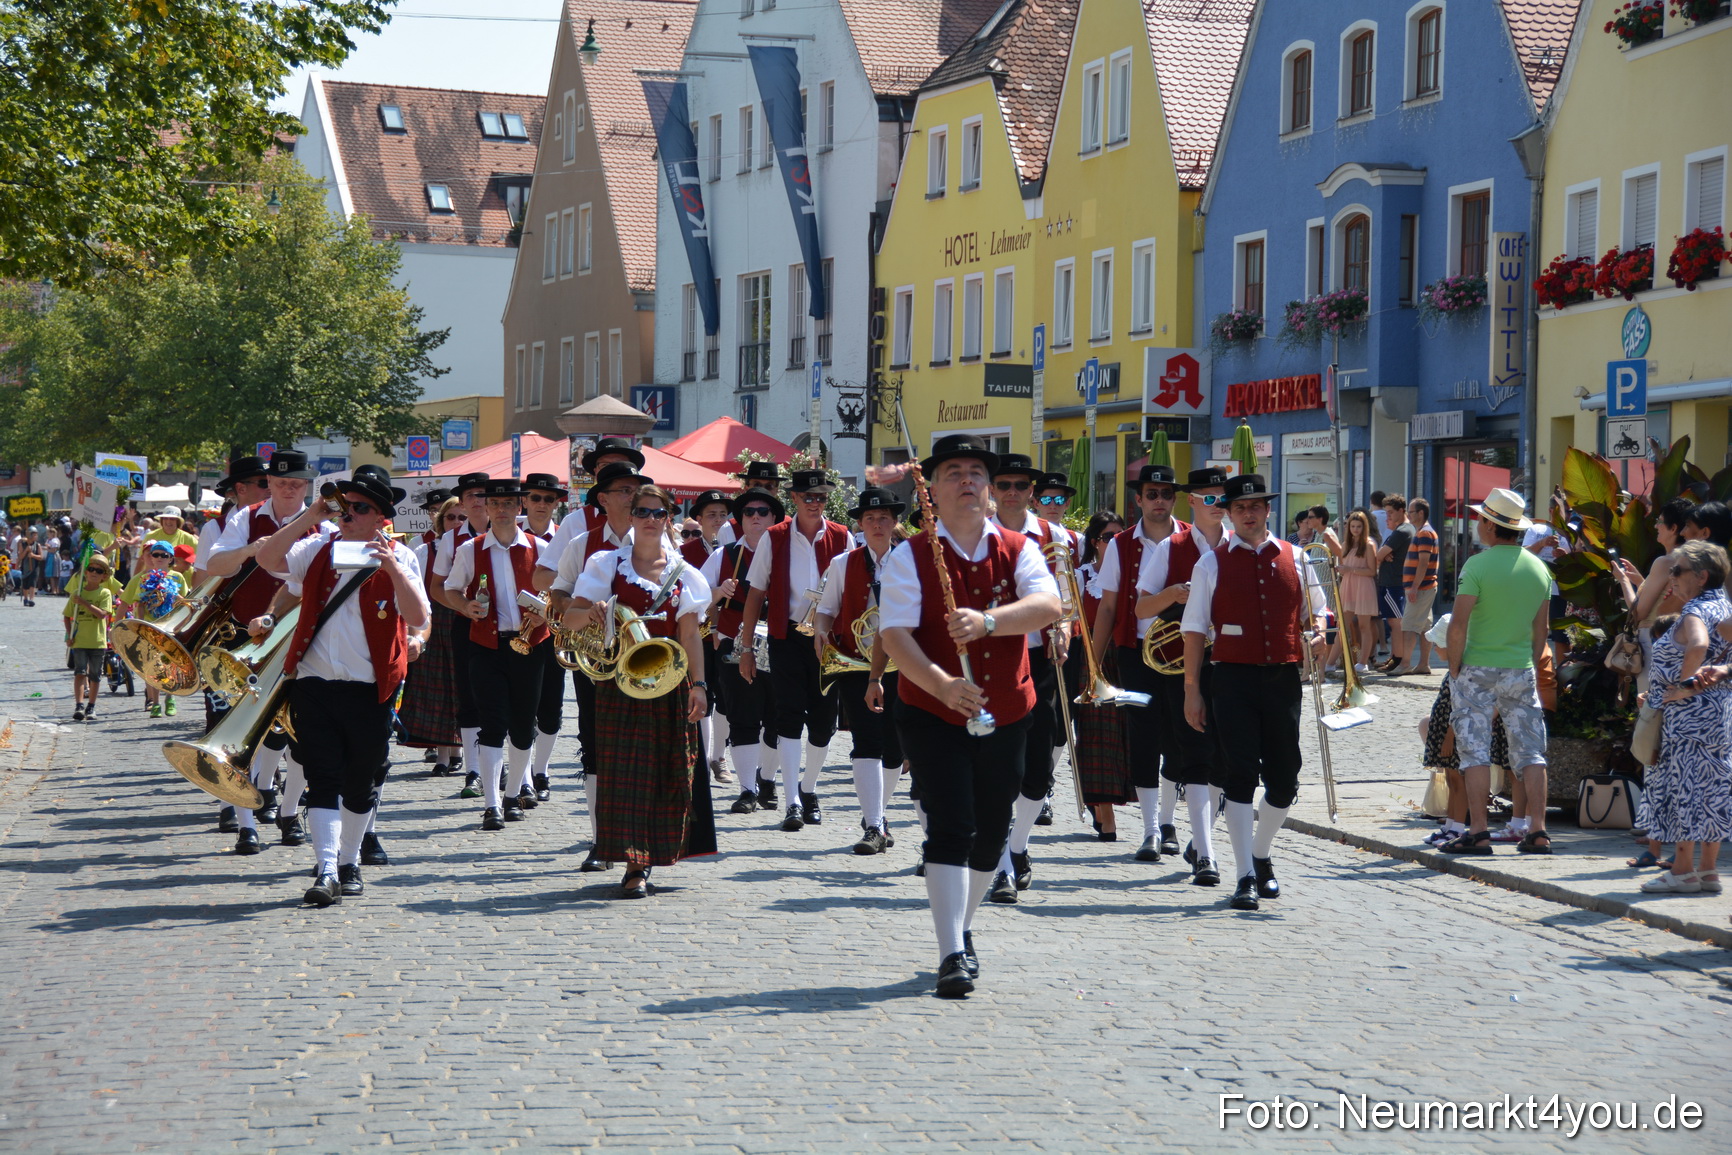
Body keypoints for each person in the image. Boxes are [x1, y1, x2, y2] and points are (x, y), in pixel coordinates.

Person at [878, 433, 1061, 997]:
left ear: (989, 489)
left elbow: (1049, 605)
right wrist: (941, 684)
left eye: (975, 472)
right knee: (952, 826)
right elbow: (894, 634)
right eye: (953, 471)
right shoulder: (910, 555)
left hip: (1007, 708)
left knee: (991, 835)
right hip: (933, 712)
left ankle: (965, 924)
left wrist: (986, 621)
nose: (966, 480)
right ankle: (950, 953)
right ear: (931, 488)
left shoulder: (1019, 545)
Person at [268, 469, 429, 907]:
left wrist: (393, 566)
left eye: (361, 508)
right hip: (314, 683)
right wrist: (312, 516)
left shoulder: (401, 555)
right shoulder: (318, 545)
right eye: (345, 506)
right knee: (323, 778)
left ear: (380, 517)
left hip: (369, 689)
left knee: (359, 784)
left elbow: (417, 617)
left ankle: (349, 861)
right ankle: (325, 868)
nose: (349, 514)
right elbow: (268, 559)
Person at [561, 483, 716, 899]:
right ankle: (633, 865)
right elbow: (569, 622)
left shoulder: (687, 575)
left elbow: (690, 634)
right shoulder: (605, 564)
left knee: (666, 774)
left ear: (668, 520)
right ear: (630, 519)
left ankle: (653, 855)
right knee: (625, 776)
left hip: (669, 683)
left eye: (658, 514)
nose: (650, 520)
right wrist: (592, 611)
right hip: (620, 685)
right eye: (643, 512)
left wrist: (699, 686)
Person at [1181, 474, 1327, 911]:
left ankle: (1261, 854)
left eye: (1256, 506)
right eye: (1240, 507)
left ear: (1267, 510)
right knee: (1240, 775)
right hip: (1230, 678)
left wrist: (1320, 633)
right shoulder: (1210, 563)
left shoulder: (1297, 557)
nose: (1248, 513)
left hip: (1282, 678)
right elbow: (1192, 631)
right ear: (1228, 512)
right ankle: (1244, 873)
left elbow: (1319, 611)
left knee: (1285, 780)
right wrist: (1192, 690)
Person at [207, 449, 324, 846]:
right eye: (281, 482)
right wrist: (249, 551)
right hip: (247, 635)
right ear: (269, 483)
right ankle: (246, 825)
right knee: (242, 734)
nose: (289, 490)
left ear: (306, 485)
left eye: (297, 484)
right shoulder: (245, 517)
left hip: (301, 637)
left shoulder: (324, 525)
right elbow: (216, 565)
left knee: (298, 733)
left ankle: (289, 810)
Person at [546, 460, 651, 871]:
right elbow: (557, 594)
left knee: (641, 749)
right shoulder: (582, 543)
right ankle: (601, 839)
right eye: (623, 491)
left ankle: (641, 840)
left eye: (635, 490)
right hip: (598, 663)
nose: (632, 497)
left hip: (645, 660)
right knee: (596, 749)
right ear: (603, 499)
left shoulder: (660, 540)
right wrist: (583, 615)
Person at [1440, 488, 1555, 857]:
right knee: (1531, 751)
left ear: (1490, 525)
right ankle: (1537, 830)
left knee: (1474, 750)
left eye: (1479, 518)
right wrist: (1528, 661)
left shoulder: (1477, 565)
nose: (1476, 523)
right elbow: (1542, 631)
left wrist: (1455, 666)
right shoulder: (1539, 568)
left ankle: (1478, 831)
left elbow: (1458, 625)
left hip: (1477, 667)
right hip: (1520, 667)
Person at [738, 469, 851, 832]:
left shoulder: (842, 536)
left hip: (828, 638)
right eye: (808, 497)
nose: (815, 502)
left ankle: (809, 789)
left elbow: (851, 591)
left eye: (820, 497)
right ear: (795, 500)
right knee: (787, 716)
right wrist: (745, 649)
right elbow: (756, 593)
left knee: (823, 722)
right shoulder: (774, 537)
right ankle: (791, 802)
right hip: (785, 636)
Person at [1135, 467, 1233, 883]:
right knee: (1193, 754)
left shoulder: (1243, 548)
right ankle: (1206, 854)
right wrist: (1173, 594)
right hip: (1181, 665)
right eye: (1208, 499)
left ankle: (1201, 838)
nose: (1218, 507)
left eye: (1222, 499)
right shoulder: (1169, 547)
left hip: (1232, 665)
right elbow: (1140, 609)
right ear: (1191, 502)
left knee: (1226, 760)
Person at [982, 453, 1071, 901]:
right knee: (1000, 765)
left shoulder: (1052, 534)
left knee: (1039, 766)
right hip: (992, 657)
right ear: (993, 490)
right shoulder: (978, 533)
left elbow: (1065, 596)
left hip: (1040, 658)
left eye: (1021, 485)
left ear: (1032, 491)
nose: (1013, 492)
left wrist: (1066, 630)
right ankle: (1001, 861)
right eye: (1004, 484)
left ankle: (1018, 847)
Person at [444, 478, 555, 832]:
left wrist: (546, 612)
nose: (503, 510)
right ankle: (492, 804)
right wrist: (466, 607)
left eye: (509, 504)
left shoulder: (539, 547)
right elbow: (450, 589)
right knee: (492, 723)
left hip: (531, 645)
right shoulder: (471, 548)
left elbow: (560, 593)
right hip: (486, 646)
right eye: (496, 504)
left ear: (519, 507)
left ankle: (512, 795)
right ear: (486, 509)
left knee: (524, 726)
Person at [1090, 464, 1185, 860]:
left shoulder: (1193, 541)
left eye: (1165, 494)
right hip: (1135, 653)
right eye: (1151, 494)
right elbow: (1109, 606)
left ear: (1174, 499)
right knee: (1143, 739)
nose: (1158, 501)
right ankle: (1149, 830)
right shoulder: (1121, 544)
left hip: (1184, 653)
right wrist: (1095, 665)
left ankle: (1168, 821)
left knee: (1181, 741)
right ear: (1139, 500)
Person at [813, 487, 907, 855]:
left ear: (895, 523)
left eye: (884, 518)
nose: (877, 524)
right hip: (856, 661)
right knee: (865, 742)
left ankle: (880, 817)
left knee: (896, 748)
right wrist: (821, 629)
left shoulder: (912, 561)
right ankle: (873, 824)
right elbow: (827, 608)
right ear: (860, 525)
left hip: (903, 664)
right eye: (870, 519)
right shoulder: (842, 563)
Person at [1641, 541, 1732, 895]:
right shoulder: (1724, 605)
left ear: (1700, 575)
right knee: (1712, 789)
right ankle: (1708, 870)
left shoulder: (1695, 610)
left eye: (1677, 571)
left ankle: (1681, 871)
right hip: (1719, 713)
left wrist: (1685, 686)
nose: (1671, 578)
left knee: (1684, 790)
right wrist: (1716, 674)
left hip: (1689, 716)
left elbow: (1695, 646)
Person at [703, 485, 786, 815]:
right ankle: (747, 789)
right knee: (742, 717)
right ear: (739, 520)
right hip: (734, 643)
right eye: (749, 513)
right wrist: (717, 591)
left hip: (780, 644)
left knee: (778, 719)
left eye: (762, 512)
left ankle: (768, 779)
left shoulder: (787, 554)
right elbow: (693, 600)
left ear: (775, 518)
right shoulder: (724, 556)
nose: (755, 518)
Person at [429, 472, 492, 798]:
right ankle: (473, 769)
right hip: (466, 623)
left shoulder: (513, 530)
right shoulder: (453, 538)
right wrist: (462, 606)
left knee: (505, 699)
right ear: (463, 501)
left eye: (483, 494)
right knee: (468, 697)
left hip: (507, 624)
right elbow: (436, 587)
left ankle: (504, 767)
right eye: (471, 496)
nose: (478, 501)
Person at [1072, 512, 1134, 838]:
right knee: (1096, 735)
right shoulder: (1081, 576)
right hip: (1090, 657)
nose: (1116, 542)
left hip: (1123, 657)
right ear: (1095, 542)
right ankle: (1105, 813)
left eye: (1121, 536)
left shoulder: (1133, 575)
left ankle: (1110, 804)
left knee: (1124, 737)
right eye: (1110, 537)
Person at [397, 494, 464, 777]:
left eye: (462, 517)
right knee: (438, 690)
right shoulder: (425, 551)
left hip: (462, 620)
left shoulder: (474, 547)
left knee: (462, 687)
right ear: (441, 521)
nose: (457, 522)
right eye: (451, 517)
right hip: (434, 623)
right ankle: (442, 754)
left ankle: (462, 751)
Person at [520, 473, 570, 802]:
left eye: (548, 499)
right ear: (524, 500)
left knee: (551, 708)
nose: (541, 504)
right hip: (518, 631)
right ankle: (522, 776)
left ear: (557, 504)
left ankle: (541, 770)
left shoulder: (566, 538)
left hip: (555, 633)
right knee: (520, 708)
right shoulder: (511, 535)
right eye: (535, 498)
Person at [683, 488, 736, 784]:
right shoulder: (686, 552)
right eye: (711, 515)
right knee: (702, 694)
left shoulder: (735, 548)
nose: (717, 520)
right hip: (697, 635)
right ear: (699, 519)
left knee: (726, 697)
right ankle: (702, 758)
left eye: (722, 515)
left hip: (724, 633)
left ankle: (719, 756)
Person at [120, 540, 189, 719]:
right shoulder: (144, 578)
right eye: (155, 554)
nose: (159, 558)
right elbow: (140, 604)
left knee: (171, 664)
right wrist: (141, 626)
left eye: (163, 555)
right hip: (151, 627)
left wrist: (177, 601)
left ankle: (170, 698)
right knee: (153, 666)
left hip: (171, 627)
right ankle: (156, 703)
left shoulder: (177, 577)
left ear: (170, 559)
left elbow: (184, 603)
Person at [64, 553, 115, 722]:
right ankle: (79, 705)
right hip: (80, 641)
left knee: (95, 676)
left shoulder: (105, 593)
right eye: (91, 569)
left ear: (103, 576)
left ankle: (91, 706)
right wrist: (68, 635)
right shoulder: (77, 593)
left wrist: (84, 603)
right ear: (85, 573)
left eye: (99, 571)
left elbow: (102, 614)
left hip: (97, 641)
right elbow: (67, 615)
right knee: (79, 673)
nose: (94, 572)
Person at [1332, 510, 1380, 675]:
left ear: (1364, 527)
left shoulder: (1368, 545)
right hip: (1349, 585)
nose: (1355, 529)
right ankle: (1331, 662)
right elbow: (1343, 568)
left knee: (1363, 625)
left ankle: (1363, 661)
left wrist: (1350, 569)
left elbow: (1372, 571)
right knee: (1342, 625)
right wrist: (1342, 570)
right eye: (1352, 526)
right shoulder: (1345, 545)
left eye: (1359, 526)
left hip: (1364, 586)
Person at [1397, 499, 1440, 675]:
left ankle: (1405, 664)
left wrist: (1414, 587)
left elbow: (1423, 562)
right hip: (1425, 587)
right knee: (1424, 628)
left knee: (1408, 626)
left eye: (1411, 512)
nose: (1408, 515)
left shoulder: (1424, 533)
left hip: (1421, 588)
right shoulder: (1425, 532)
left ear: (1421, 513)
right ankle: (1423, 664)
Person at [1372, 495, 1413, 673]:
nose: (1387, 516)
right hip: (1390, 582)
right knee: (1392, 621)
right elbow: (1381, 555)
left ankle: (1398, 659)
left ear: (1401, 511)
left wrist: (1383, 555)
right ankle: (1394, 657)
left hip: (1394, 583)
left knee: (1396, 623)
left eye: (1390, 512)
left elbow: (1378, 556)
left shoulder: (1402, 531)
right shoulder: (1399, 530)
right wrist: (1383, 555)